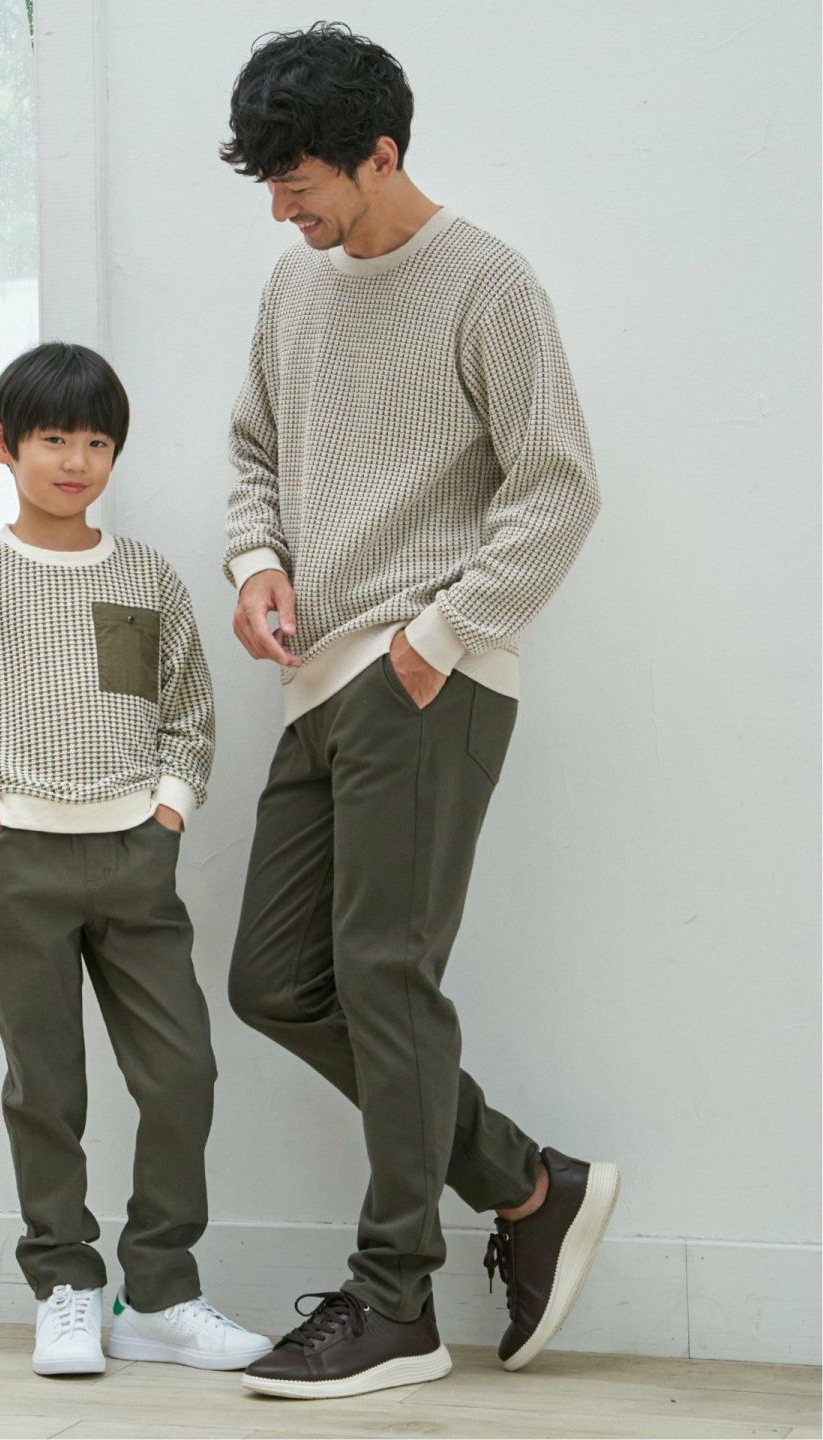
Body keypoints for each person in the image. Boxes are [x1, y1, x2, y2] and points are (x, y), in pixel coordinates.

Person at [218, 22, 620, 1400]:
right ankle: (527, 1184)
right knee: (276, 981)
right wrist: (256, 561)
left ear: (380, 154)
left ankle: (396, 1301)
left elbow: (558, 486)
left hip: (425, 677)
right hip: (319, 680)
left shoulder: (485, 283)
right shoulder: (295, 285)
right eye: (271, 184)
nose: (283, 209)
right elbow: (254, 449)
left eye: (299, 182)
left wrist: (437, 640)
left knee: (385, 976)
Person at [0, 341, 271, 1377]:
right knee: (46, 1088)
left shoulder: (143, 574)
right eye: (54, 438)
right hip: (19, 858)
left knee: (182, 1072)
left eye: (98, 442)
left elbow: (183, 709)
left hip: (134, 860)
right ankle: (66, 1287)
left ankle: (159, 1294)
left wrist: (167, 812)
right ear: (4, 444)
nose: (77, 461)